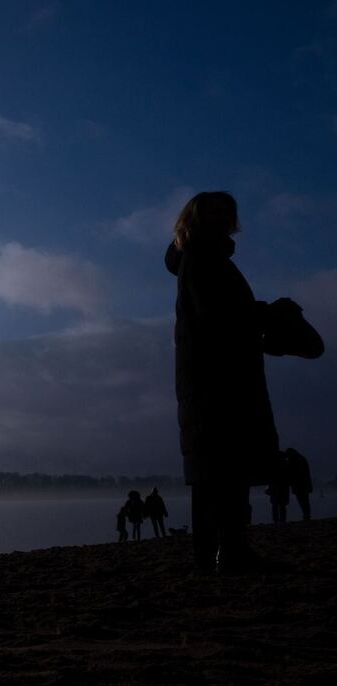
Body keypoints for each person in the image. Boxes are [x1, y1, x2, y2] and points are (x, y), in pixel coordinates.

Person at [166, 192, 285, 574]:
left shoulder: (199, 258)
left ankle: (213, 555)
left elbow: (217, 314)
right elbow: (218, 316)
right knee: (226, 467)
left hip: (205, 376)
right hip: (219, 378)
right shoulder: (203, 258)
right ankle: (229, 551)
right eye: (216, 213)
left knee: (212, 471)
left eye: (228, 213)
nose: (224, 220)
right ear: (200, 219)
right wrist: (265, 315)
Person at [285, 448, 313, 521]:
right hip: (304, 485)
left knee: (302, 501)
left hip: (299, 485)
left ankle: (306, 516)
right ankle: (307, 515)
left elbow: (292, 472)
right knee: (305, 501)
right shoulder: (301, 459)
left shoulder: (295, 460)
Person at [266, 452, 290, 523]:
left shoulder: (274, 466)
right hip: (283, 488)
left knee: (275, 505)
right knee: (282, 506)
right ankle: (282, 520)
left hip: (275, 488)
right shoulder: (286, 465)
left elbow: (272, 478)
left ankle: (275, 520)